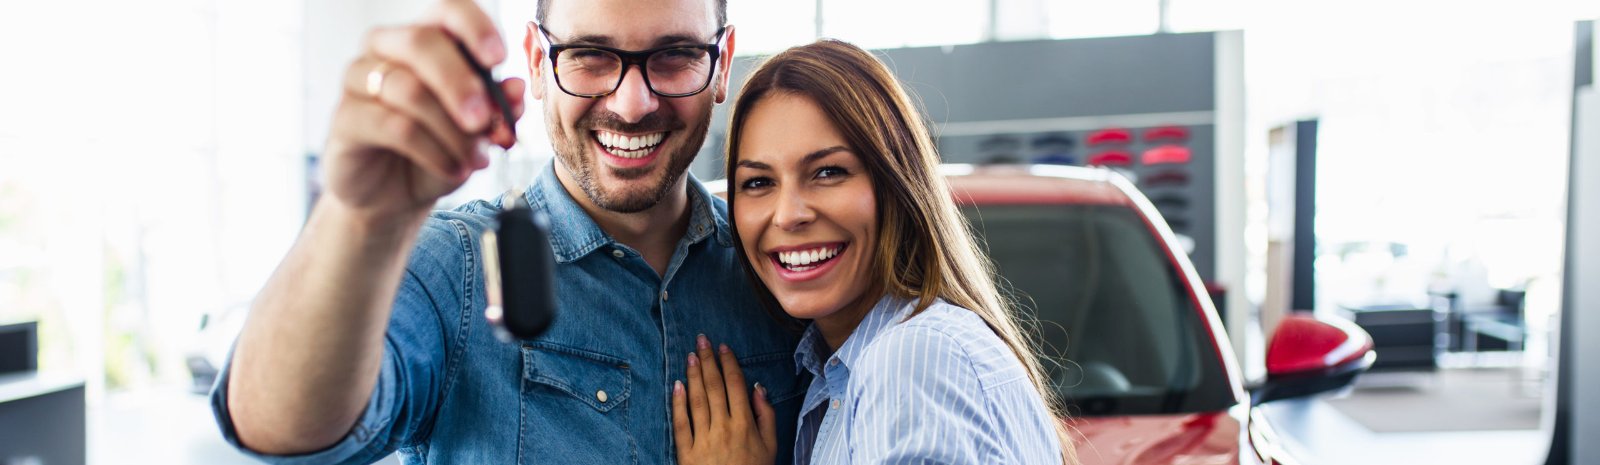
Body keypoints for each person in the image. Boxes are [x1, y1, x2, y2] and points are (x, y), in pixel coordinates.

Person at [210, 0, 805, 463]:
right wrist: (359, 217)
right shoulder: (455, 266)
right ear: (535, 60)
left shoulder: (782, 266)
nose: (631, 103)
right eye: (589, 55)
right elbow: (280, 430)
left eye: (675, 54)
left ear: (721, 64)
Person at [670, 40, 1077, 464]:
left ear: (896, 184)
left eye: (829, 172)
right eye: (758, 182)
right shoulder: (840, 371)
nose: (788, 215)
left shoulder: (913, 360)